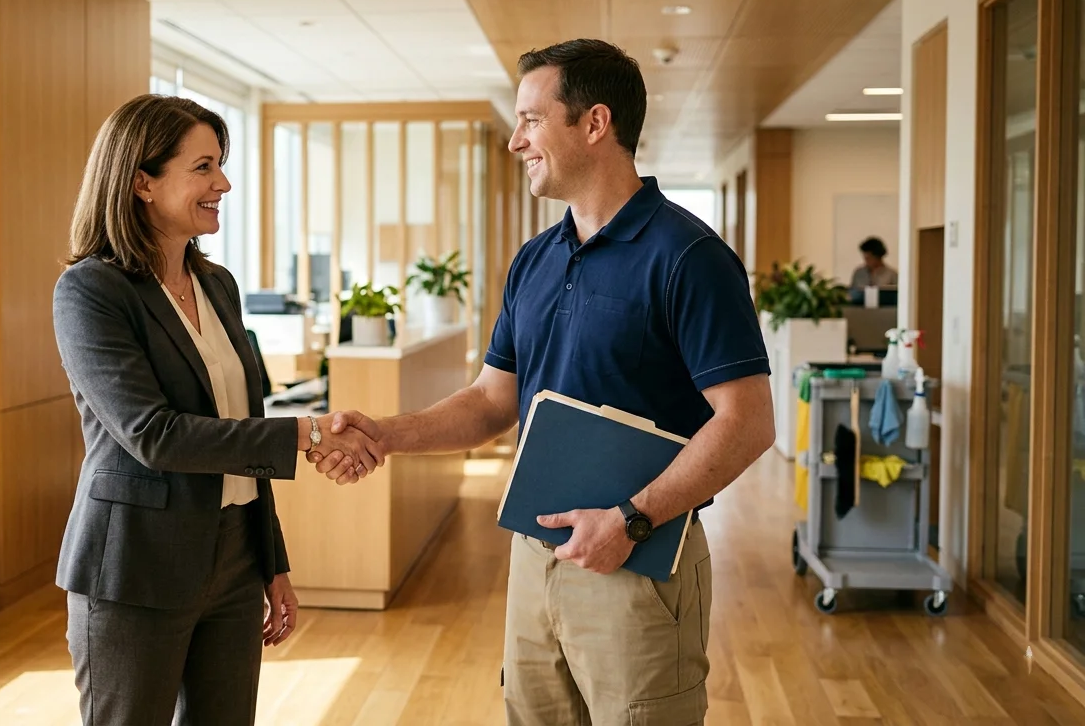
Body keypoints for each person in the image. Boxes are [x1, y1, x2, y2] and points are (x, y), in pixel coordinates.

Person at [313, 39, 775, 725]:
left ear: (594, 123)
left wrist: (630, 519)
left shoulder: (689, 257)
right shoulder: (535, 260)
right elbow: (491, 400)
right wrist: (387, 433)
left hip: (639, 561)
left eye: (530, 119)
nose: (514, 141)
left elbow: (748, 421)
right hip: (535, 556)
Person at [52, 94, 381, 725]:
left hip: (233, 554)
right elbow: (155, 436)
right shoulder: (92, 290)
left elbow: (239, 423)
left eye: (220, 164)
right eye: (203, 167)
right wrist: (310, 432)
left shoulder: (219, 285)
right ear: (142, 182)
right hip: (136, 564)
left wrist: (270, 560)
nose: (223, 183)